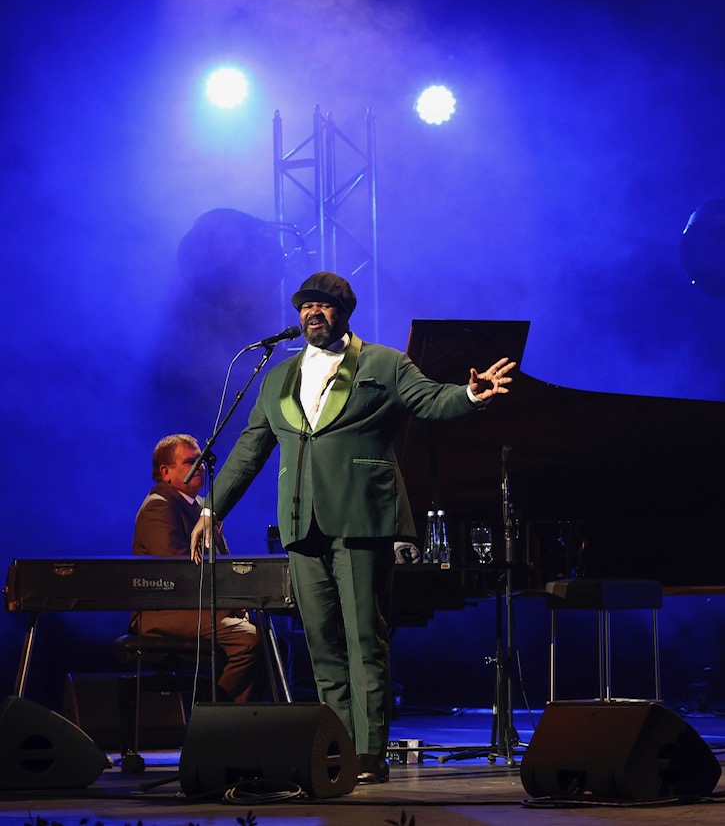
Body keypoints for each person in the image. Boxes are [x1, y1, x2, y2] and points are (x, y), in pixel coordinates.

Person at [190, 271, 515, 785]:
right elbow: (251, 449)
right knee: (321, 642)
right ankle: (336, 743)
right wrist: (212, 508)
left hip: (363, 518)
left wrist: (472, 396)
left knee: (366, 638)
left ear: (344, 312)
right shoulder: (278, 376)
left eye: (323, 305)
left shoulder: (384, 364)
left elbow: (431, 400)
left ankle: (369, 752)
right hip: (302, 522)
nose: (312, 312)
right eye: (305, 306)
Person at [133, 434, 263, 703]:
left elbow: (223, 563)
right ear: (166, 472)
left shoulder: (202, 508)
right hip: (165, 612)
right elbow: (179, 579)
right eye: (192, 461)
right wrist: (232, 608)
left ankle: (242, 729)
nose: (201, 466)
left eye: (202, 460)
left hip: (196, 608)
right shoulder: (159, 506)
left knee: (271, 639)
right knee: (248, 639)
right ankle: (211, 718)